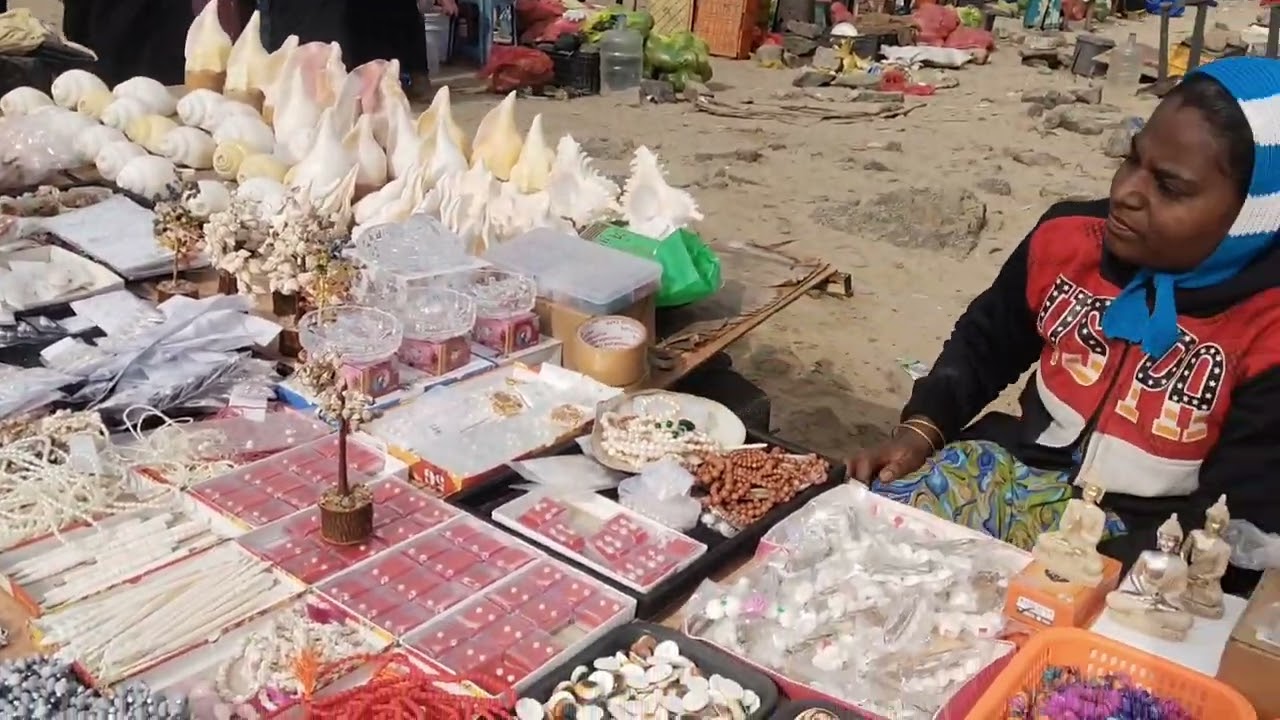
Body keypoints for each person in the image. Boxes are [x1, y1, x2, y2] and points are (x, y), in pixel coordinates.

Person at [847, 56, 1280, 596]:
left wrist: (1082, 576)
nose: (1127, 192)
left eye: (1170, 187)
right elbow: (986, 342)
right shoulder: (1070, 240)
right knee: (862, 534)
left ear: (1252, 213)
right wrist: (922, 429)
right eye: (1132, 160)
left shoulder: (1268, 328)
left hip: (1147, 539)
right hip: (1011, 476)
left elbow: (1235, 514)